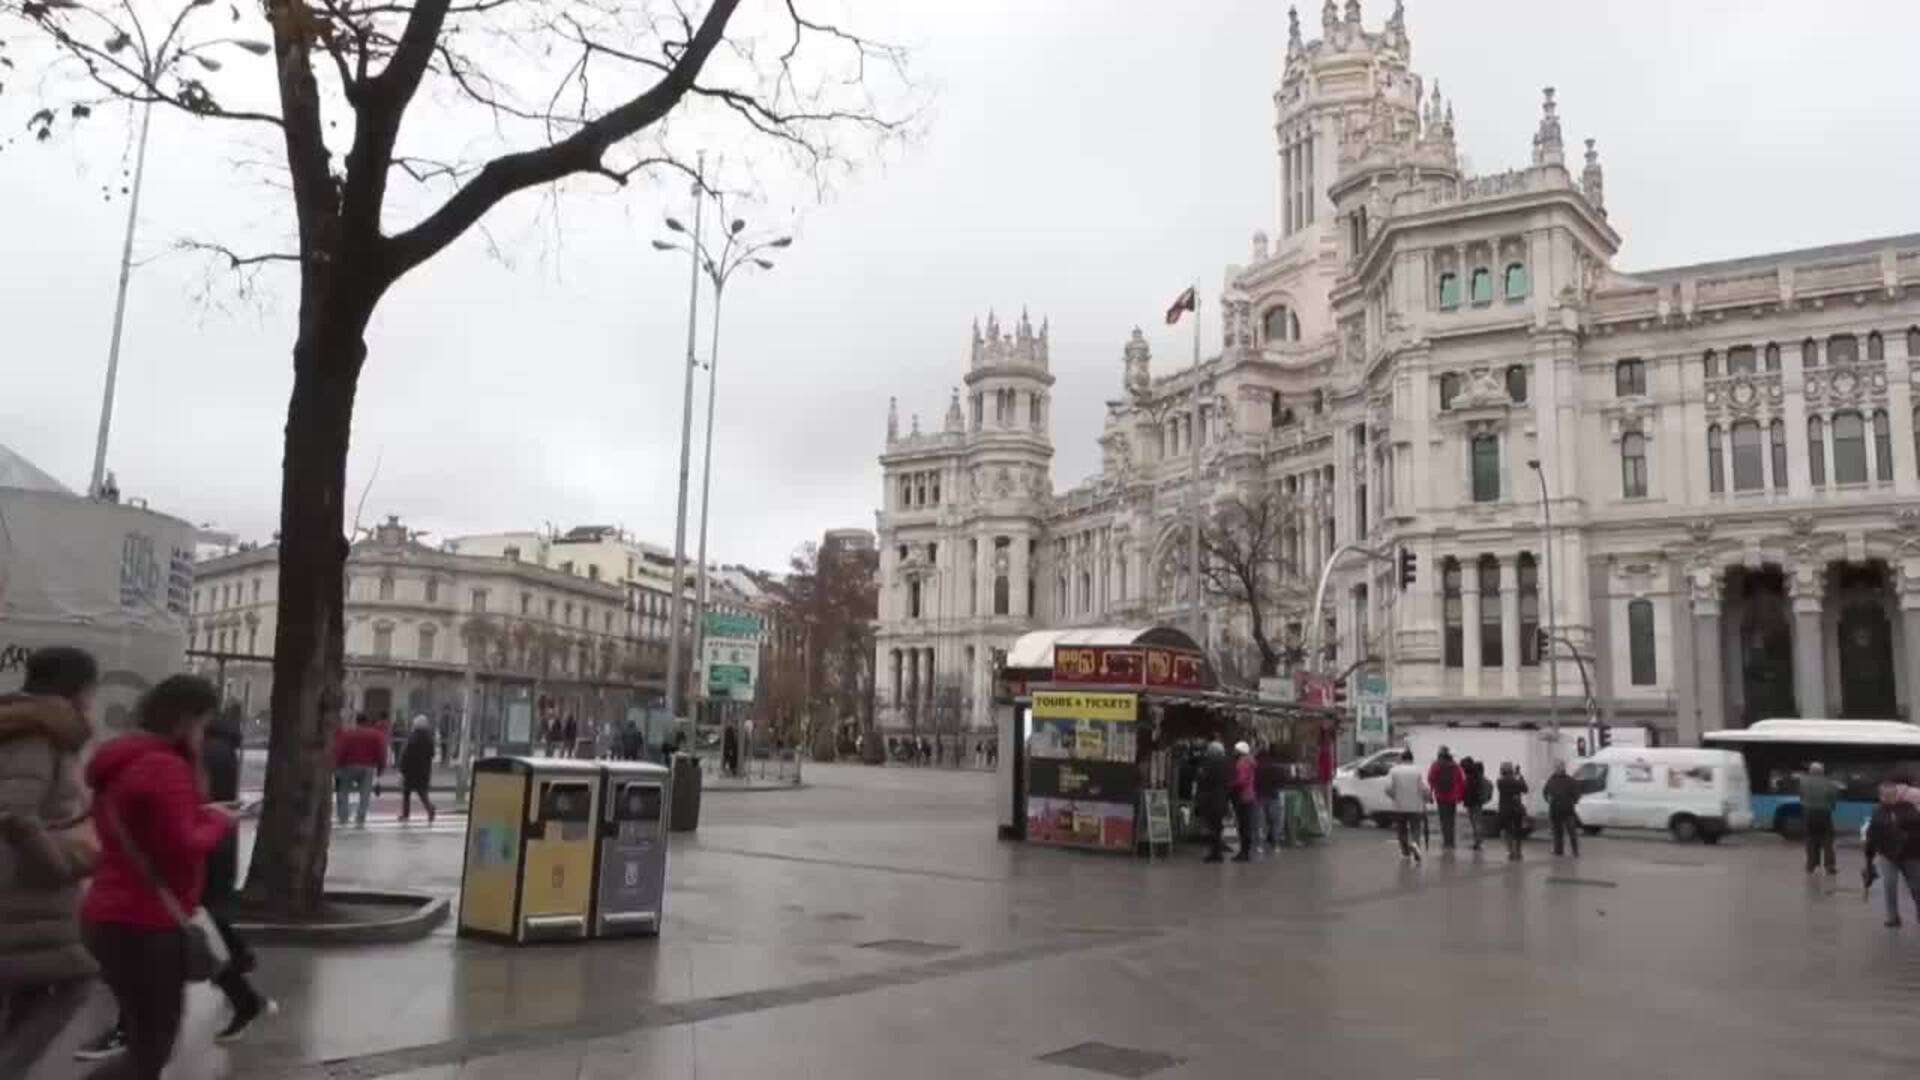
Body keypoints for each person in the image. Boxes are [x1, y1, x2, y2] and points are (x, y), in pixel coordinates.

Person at [81, 674, 237, 1080]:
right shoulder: (163, 766)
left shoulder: (122, 758)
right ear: (187, 720)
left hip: (111, 912)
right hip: (147, 922)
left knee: (143, 1038)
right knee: (151, 1051)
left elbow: (153, 831)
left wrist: (203, 815)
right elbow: (183, 845)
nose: (204, 734)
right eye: (204, 723)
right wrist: (220, 821)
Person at [0, 647, 101, 1077]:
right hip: (26, 890)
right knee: (74, 982)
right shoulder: (39, 734)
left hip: (26, 891)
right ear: (78, 689)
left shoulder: (26, 726)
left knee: (29, 989)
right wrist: (58, 861)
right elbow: (13, 811)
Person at [1863, 777, 1920, 928]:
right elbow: (1871, 837)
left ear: (1897, 794)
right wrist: (1868, 861)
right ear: (1881, 796)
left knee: (1917, 886)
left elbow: (1916, 824)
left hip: (1911, 854)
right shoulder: (1877, 813)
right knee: (1889, 885)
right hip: (1888, 856)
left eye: (1892, 794)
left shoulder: (1908, 808)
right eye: (1886, 795)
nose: (1890, 798)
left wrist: (1904, 829)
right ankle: (1893, 918)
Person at [332, 713, 386, 827]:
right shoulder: (376, 735)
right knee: (365, 793)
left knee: (343, 791)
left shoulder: (348, 734)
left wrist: (337, 766)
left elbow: (341, 750)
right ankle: (360, 817)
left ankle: (343, 816)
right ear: (367, 722)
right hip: (368, 767)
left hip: (349, 766)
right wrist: (381, 767)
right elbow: (381, 752)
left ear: (356, 722)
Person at [1385, 749, 1430, 862]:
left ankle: (1405, 852)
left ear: (1402, 759)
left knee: (1401, 830)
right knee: (1416, 829)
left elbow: (1388, 788)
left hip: (1400, 806)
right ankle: (1415, 845)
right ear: (1412, 759)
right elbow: (1424, 788)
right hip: (1416, 806)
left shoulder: (1394, 771)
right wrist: (1426, 798)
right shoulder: (1418, 770)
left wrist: (1395, 797)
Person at [1798, 762, 1840, 875]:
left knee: (1811, 839)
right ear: (1822, 771)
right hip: (1824, 814)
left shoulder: (1803, 782)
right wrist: (1831, 807)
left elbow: (1801, 797)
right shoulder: (1829, 783)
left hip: (1809, 814)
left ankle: (1811, 865)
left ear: (1811, 771)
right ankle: (1829, 866)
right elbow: (1833, 799)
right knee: (1827, 840)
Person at [1194, 741, 1231, 863]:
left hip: (1210, 799)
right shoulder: (1226, 764)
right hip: (1222, 798)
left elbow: (1202, 779)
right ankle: (1217, 851)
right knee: (1218, 826)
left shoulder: (1209, 764)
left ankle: (1215, 853)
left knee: (1212, 826)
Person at [1426, 746, 1466, 851]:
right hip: (1452, 797)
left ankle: (1446, 842)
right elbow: (1461, 781)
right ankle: (1451, 841)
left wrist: (1430, 794)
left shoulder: (1435, 765)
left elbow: (1431, 779)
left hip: (1440, 796)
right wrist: (1460, 796)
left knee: (1443, 820)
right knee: (1451, 820)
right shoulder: (1455, 766)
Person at [399, 716, 437, 824]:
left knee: (406, 793)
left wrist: (402, 769)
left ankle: (405, 814)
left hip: (411, 770)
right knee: (422, 792)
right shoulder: (429, 738)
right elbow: (432, 754)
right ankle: (430, 809)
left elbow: (406, 754)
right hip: (424, 769)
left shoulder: (412, 737)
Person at [1542, 761, 1581, 858]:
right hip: (1555, 810)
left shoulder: (1570, 780)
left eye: (1559, 767)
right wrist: (1548, 799)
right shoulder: (1551, 779)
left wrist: (1573, 801)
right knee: (1557, 832)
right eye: (1556, 767)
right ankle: (1558, 850)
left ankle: (1575, 851)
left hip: (1567, 810)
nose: (1557, 769)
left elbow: (1577, 794)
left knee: (1571, 832)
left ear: (1563, 768)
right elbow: (1545, 791)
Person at [1254, 746, 1288, 852]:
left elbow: (1254, 782)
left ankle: (1260, 845)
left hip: (1260, 796)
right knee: (1275, 821)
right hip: (1274, 795)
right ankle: (1276, 844)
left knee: (1261, 822)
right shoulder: (1275, 766)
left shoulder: (1256, 767)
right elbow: (1282, 780)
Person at [1229, 741, 1258, 862]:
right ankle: (1246, 851)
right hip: (1250, 796)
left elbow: (1241, 780)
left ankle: (1244, 853)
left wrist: (1230, 784)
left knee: (1243, 825)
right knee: (1247, 825)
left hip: (1242, 797)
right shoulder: (1251, 761)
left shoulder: (1242, 763)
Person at [1495, 762, 1529, 861]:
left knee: (1508, 831)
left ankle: (1511, 851)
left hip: (1505, 810)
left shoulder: (1500, 781)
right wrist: (1520, 776)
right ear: (1511, 770)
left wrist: (1516, 776)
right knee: (1518, 831)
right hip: (1516, 809)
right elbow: (1525, 789)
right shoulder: (1516, 781)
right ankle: (1518, 851)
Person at [1460, 756, 1490, 851]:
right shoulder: (1477, 775)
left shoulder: (1469, 776)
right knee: (1476, 822)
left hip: (1471, 802)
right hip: (1477, 802)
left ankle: (1478, 842)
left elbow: (1466, 789)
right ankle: (1478, 841)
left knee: (1475, 822)